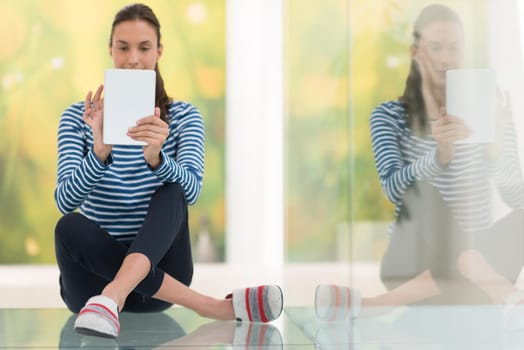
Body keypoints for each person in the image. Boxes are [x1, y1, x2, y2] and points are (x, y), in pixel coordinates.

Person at [54, 3, 282, 339]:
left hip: (159, 278)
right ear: (110, 50)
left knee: (172, 190)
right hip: (90, 287)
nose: (133, 59)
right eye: (123, 47)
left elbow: (191, 192)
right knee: (68, 225)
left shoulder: (184, 117)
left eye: (144, 48)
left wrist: (158, 158)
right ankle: (212, 306)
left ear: (159, 51)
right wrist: (99, 152)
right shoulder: (78, 118)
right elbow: (64, 200)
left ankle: (114, 296)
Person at [316, 3, 524, 325]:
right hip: (413, 262)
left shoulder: (490, 112)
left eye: (455, 48)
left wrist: (498, 143)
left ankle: (375, 305)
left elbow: (516, 200)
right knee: (422, 188)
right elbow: (394, 190)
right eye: (435, 48)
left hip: (475, 270)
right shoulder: (388, 116)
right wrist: (439, 156)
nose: (445, 58)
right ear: (416, 52)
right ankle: (485, 280)